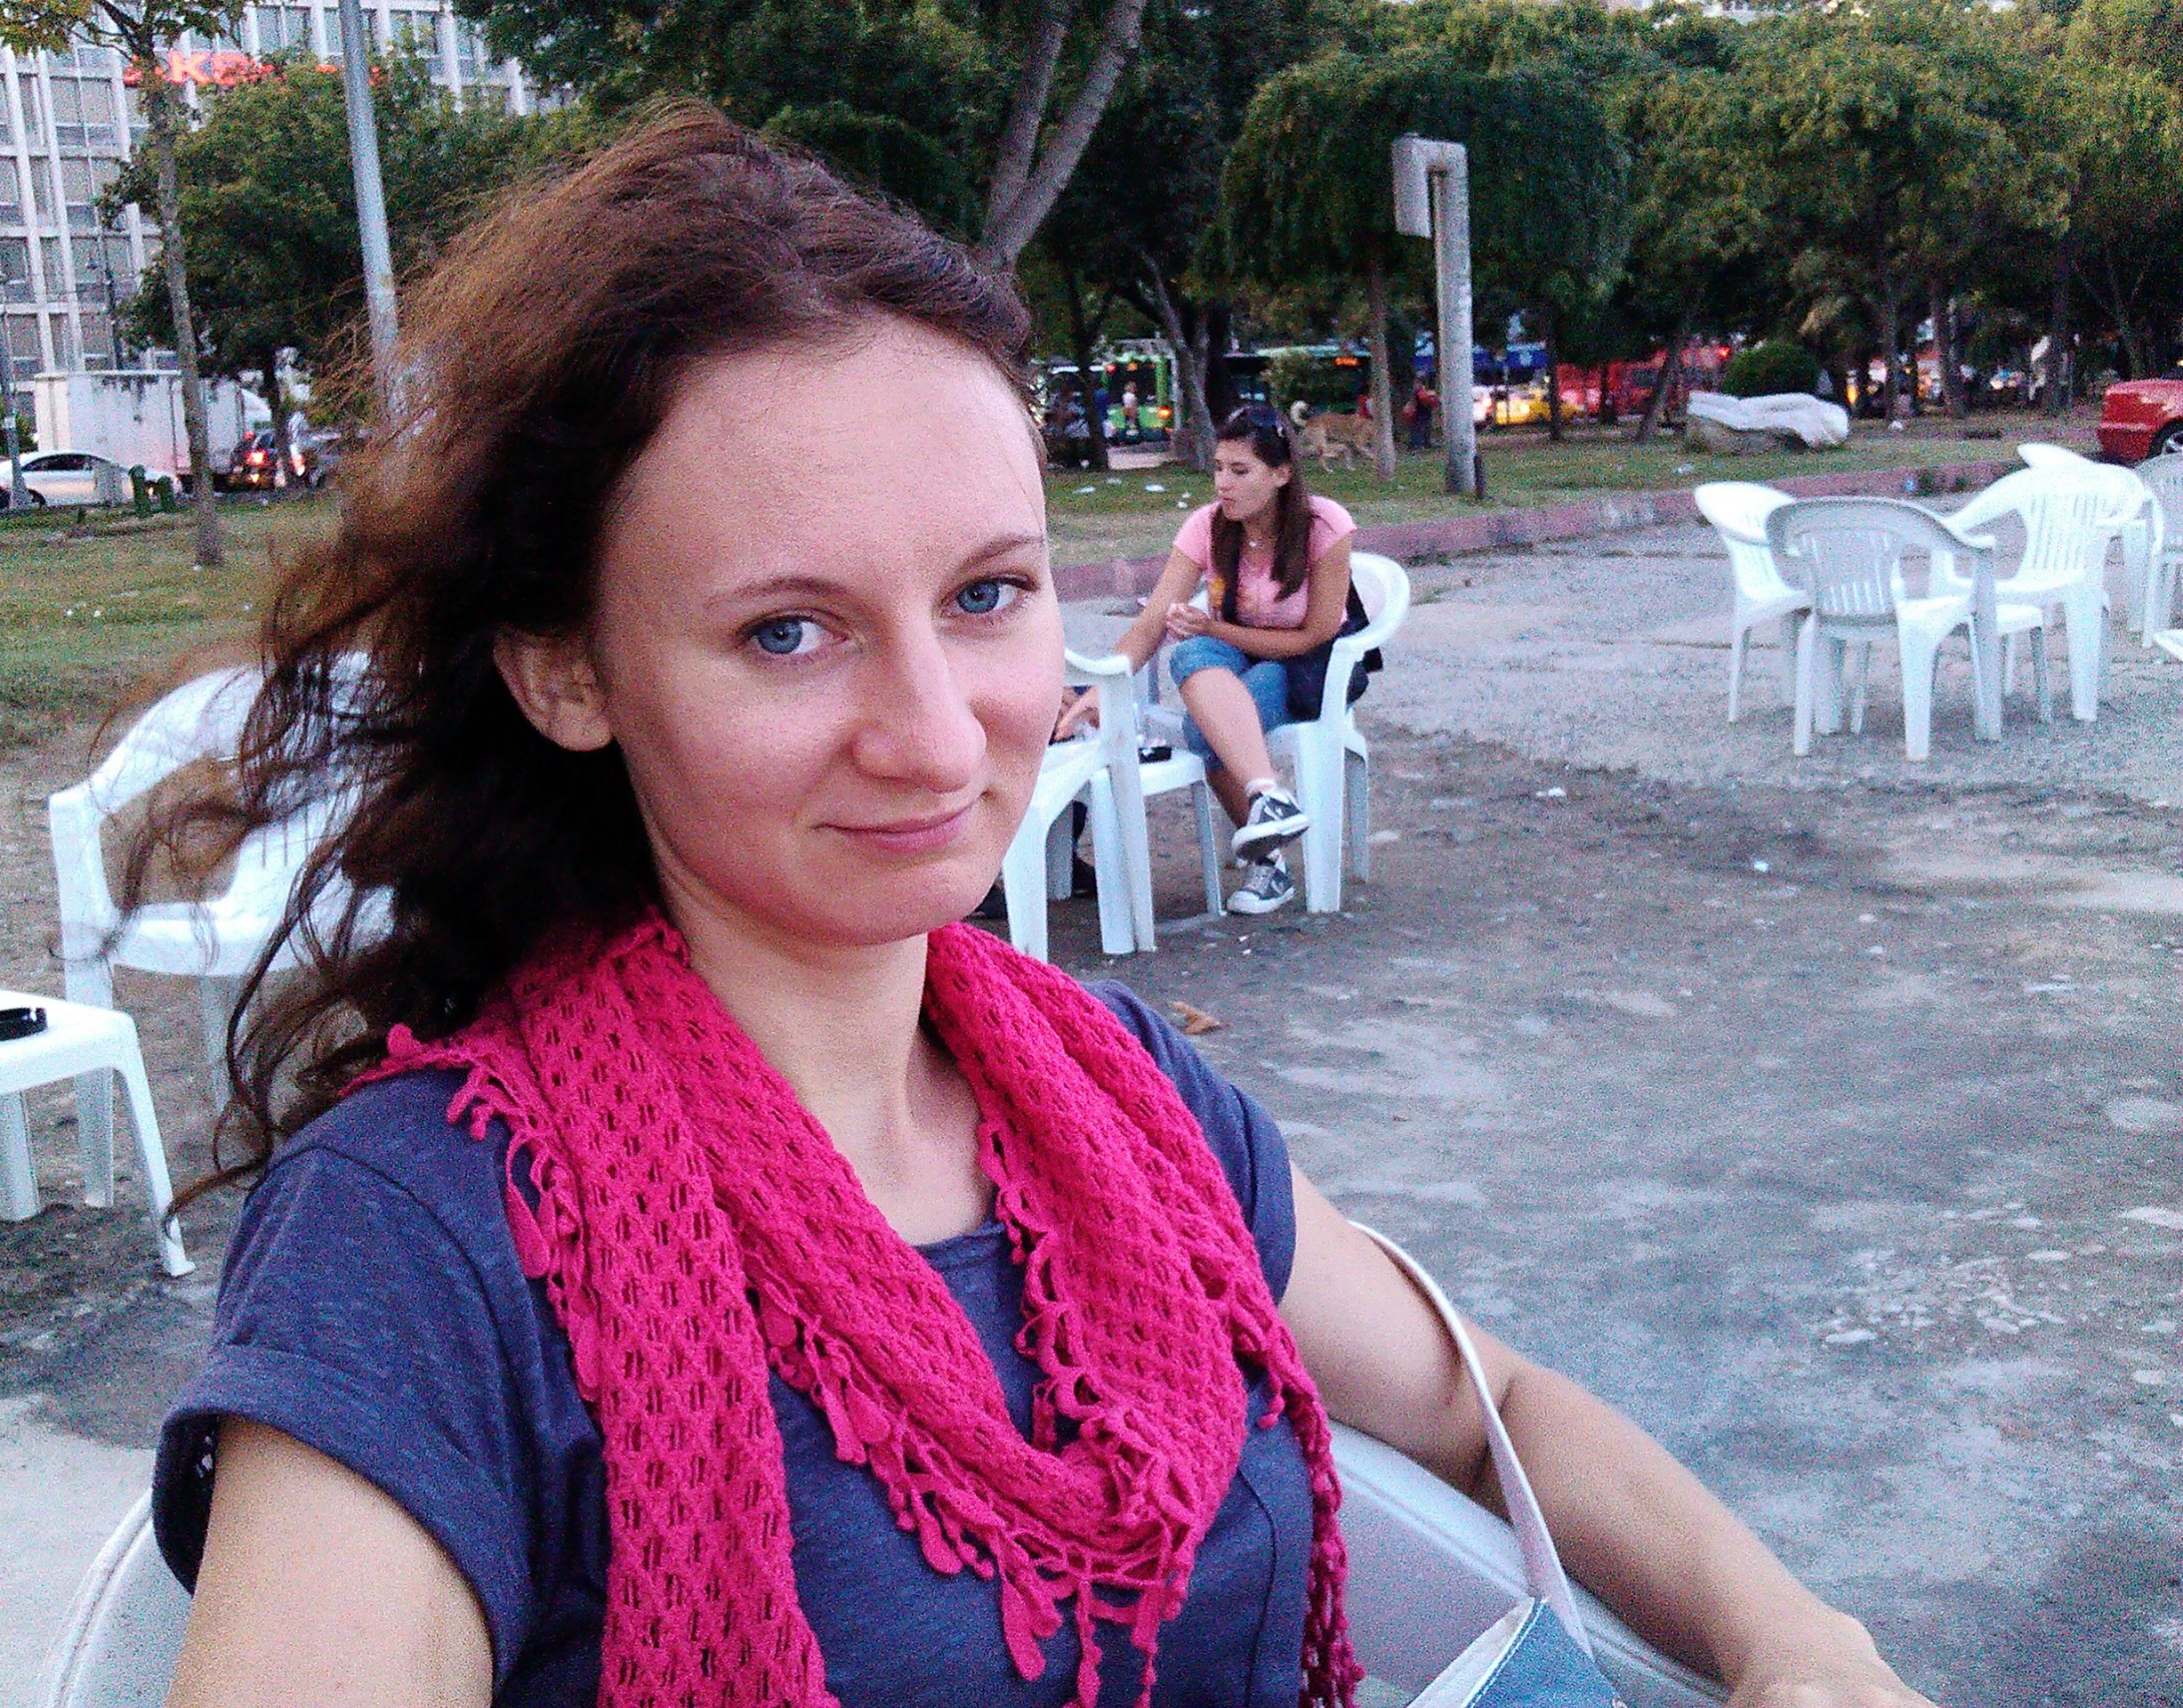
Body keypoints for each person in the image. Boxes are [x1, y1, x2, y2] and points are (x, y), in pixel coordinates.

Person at [144, 105, 1938, 1708]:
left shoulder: (1121, 1103)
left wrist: (1792, 1638)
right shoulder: (422, 1244)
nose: (936, 736)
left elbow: (1486, 1409)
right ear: (565, 672)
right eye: (788, 631)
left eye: (987, 596)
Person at [1057, 405, 1359, 917]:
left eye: (1240, 471)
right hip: (1231, 659)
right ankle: (1268, 797)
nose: (1223, 483)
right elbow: (1152, 623)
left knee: (1205, 730)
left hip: (1305, 663)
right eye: (1219, 468)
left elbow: (1317, 634)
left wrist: (1215, 628)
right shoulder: (1208, 525)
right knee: (1191, 650)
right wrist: (1101, 689)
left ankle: (1269, 864)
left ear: (1281, 474)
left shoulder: (1324, 524)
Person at [1403, 375, 1437, 451]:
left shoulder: (1418, 390)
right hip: (1420, 413)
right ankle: (1417, 445)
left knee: (1421, 428)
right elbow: (1424, 399)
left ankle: (1422, 443)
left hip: (1420, 413)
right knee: (1419, 429)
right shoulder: (1419, 391)